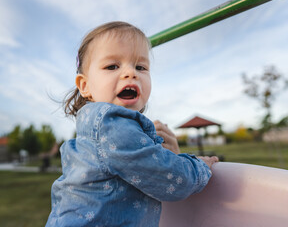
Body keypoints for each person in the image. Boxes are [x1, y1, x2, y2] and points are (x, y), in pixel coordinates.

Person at [46, 21, 218, 227]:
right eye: (112, 66)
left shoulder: (94, 130)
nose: (131, 73)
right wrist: (200, 166)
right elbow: (171, 180)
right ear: (85, 85)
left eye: (140, 67)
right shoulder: (111, 125)